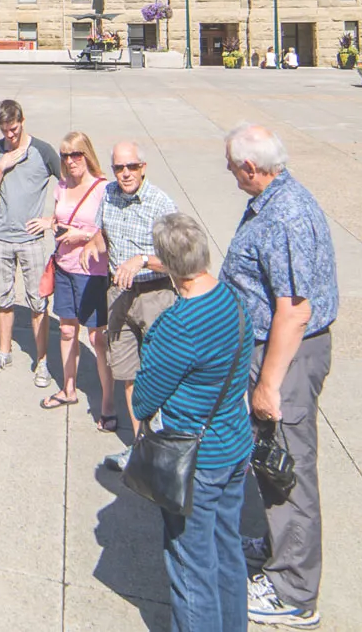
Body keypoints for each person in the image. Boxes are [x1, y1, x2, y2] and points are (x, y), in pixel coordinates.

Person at [220, 125, 338, 629]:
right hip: (274, 349)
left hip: (285, 355)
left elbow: (294, 310)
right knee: (271, 460)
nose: (229, 173)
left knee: (287, 464)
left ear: (251, 167)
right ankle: (275, 544)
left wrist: (268, 384)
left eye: (232, 165)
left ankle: (292, 590)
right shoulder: (277, 197)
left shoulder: (286, 214)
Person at [133, 213, 255, 632]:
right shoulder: (234, 301)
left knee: (191, 568)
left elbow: (145, 399)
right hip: (235, 447)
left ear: (166, 264)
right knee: (227, 553)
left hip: (196, 460)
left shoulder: (179, 324)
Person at [99, 139, 180, 470]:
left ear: (143, 167)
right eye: (119, 167)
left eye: (132, 166)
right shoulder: (108, 194)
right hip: (119, 294)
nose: (125, 173)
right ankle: (140, 448)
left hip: (154, 294)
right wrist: (90, 240)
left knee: (162, 372)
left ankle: (171, 450)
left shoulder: (161, 204)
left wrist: (143, 260)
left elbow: (178, 258)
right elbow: (102, 231)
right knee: (130, 375)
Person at [0, 99, 61, 385]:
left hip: (31, 240)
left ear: (22, 121)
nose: (10, 136)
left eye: (13, 129)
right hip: (2, 236)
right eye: (4, 131)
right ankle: (4, 352)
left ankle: (42, 362)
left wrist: (51, 221)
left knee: (38, 302)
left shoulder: (43, 151)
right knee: (3, 298)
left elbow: (70, 185)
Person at [42, 130, 116, 424]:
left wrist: (82, 235)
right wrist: (49, 223)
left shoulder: (103, 188)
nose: (71, 161)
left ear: (87, 155)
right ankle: (68, 388)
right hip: (64, 268)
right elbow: (60, 218)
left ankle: (109, 402)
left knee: (97, 338)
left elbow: (110, 231)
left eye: (76, 154)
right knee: (66, 331)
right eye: (65, 155)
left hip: (92, 272)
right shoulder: (61, 186)